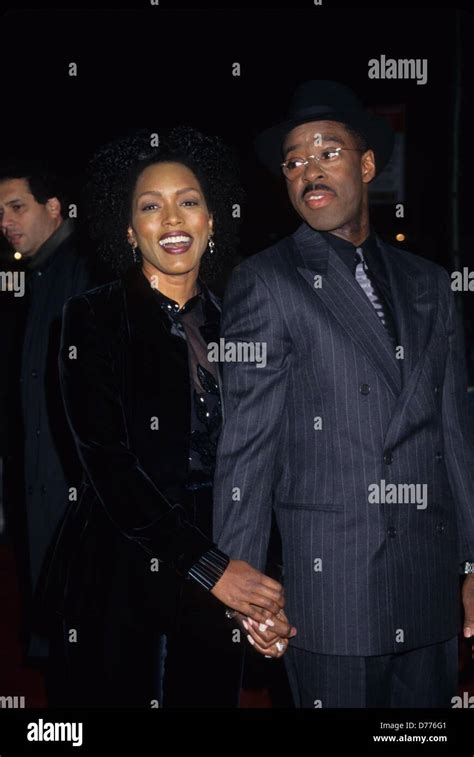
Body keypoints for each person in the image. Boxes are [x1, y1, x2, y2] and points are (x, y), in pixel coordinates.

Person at [213, 80, 474, 707]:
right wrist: (242, 582)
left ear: (367, 165)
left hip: (431, 583)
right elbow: (247, 442)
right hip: (334, 593)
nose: (309, 172)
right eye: (294, 162)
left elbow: (457, 436)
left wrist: (470, 565)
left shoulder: (431, 283)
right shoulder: (267, 281)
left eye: (327, 153)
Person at [41, 128, 294, 709]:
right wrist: (215, 570)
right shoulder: (92, 318)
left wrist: (266, 591)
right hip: (120, 577)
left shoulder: (245, 322)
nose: (172, 218)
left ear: (211, 221)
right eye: (150, 206)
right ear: (129, 230)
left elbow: (267, 463)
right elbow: (110, 467)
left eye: (189, 201)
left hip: (221, 571)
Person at [0, 162, 100, 662]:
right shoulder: (33, 273)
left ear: (53, 209)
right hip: (44, 473)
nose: (5, 221)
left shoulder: (84, 268)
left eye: (16, 207)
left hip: (74, 480)